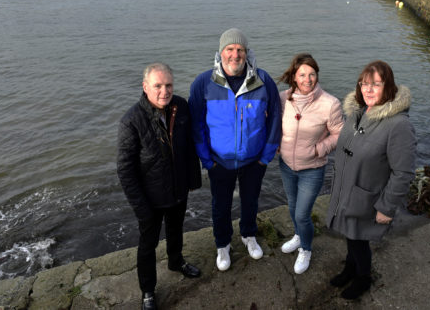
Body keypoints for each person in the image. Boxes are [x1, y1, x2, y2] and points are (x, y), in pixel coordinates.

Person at [189, 28, 281, 271]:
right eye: (229, 49)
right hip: (219, 161)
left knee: (250, 201)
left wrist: (266, 157)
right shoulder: (203, 83)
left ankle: (248, 235)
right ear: (221, 53)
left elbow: (275, 119)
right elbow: (196, 124)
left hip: (254, 160)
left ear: (246, 53)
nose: (235, 54)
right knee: (221, 205)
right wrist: (207, 160)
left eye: (240, 49)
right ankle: (222, 244)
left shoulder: (263, 80)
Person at [325, 60, 416, 300]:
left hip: (367, 197)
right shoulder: (358, 113)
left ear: (389, 87)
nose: (369, 90)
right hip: (347, 191)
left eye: (376, 84)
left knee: (359, 240)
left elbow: (403, 173)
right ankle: (349, 269)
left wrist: (387, 208)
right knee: (350, 235)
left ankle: (363, 278)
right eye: (365, 84)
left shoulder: (398, 125)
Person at [117, 63, 202, 310]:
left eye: (168, 85)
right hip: (150, 198)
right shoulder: (131, 121)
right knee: (147, 245)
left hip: (177, 189)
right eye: (157, 86)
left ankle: (176, 262)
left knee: (176, 230)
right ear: (145, 87)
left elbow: (189, 147)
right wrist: (141, 207)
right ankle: (148, 291)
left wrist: (193, 181)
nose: (164, 91)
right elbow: (125, 170)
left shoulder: (181, 106)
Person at [278, 53, 344, 274]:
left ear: (317, 75)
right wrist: (276, 145)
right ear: (294, 77)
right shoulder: (282, 98)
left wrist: (318, 149)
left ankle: (306, 249)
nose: (308, 79)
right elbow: (274, 125)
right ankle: (298, 236)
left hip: (312, 169)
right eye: (302, 74)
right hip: (286, 165)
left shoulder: (330, 103)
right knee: (292, 205)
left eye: (312, 74)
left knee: (302, 214)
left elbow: (339, 134)